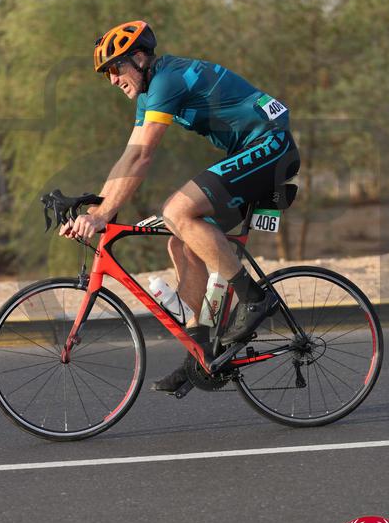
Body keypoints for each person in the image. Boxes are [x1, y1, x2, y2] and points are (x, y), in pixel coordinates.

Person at [60, 20, 300, 392]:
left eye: (115, 67)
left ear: (139, 58)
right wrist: (96, 211)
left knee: (176, 210)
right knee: (181, 241)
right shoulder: (149, 93)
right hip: (251, 150)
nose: (112, 79)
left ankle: (254, 298)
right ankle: (200, 356)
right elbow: (128, 157)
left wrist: (103, 215)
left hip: (271, 145)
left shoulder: (167, 81)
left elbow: (143, 158)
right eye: (106, 73)